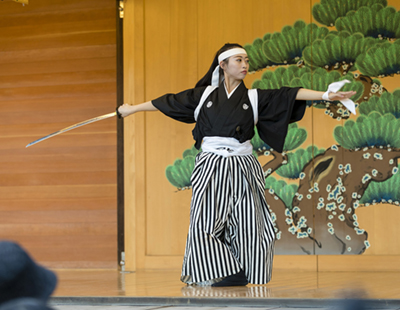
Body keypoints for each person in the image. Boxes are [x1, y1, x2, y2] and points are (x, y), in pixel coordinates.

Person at [118, 43, 356, 287]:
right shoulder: (204, 96)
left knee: (250, 220)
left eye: (246, 60)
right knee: (206, 220)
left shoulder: (252, 97)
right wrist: (131, 109)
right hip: (211, 163)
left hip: (243, 164)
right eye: (238, 60)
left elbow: (289, 94)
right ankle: (215, 271)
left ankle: (242, 271)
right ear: (223, 65)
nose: (245, 65)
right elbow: (166, 102)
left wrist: (326, 96)